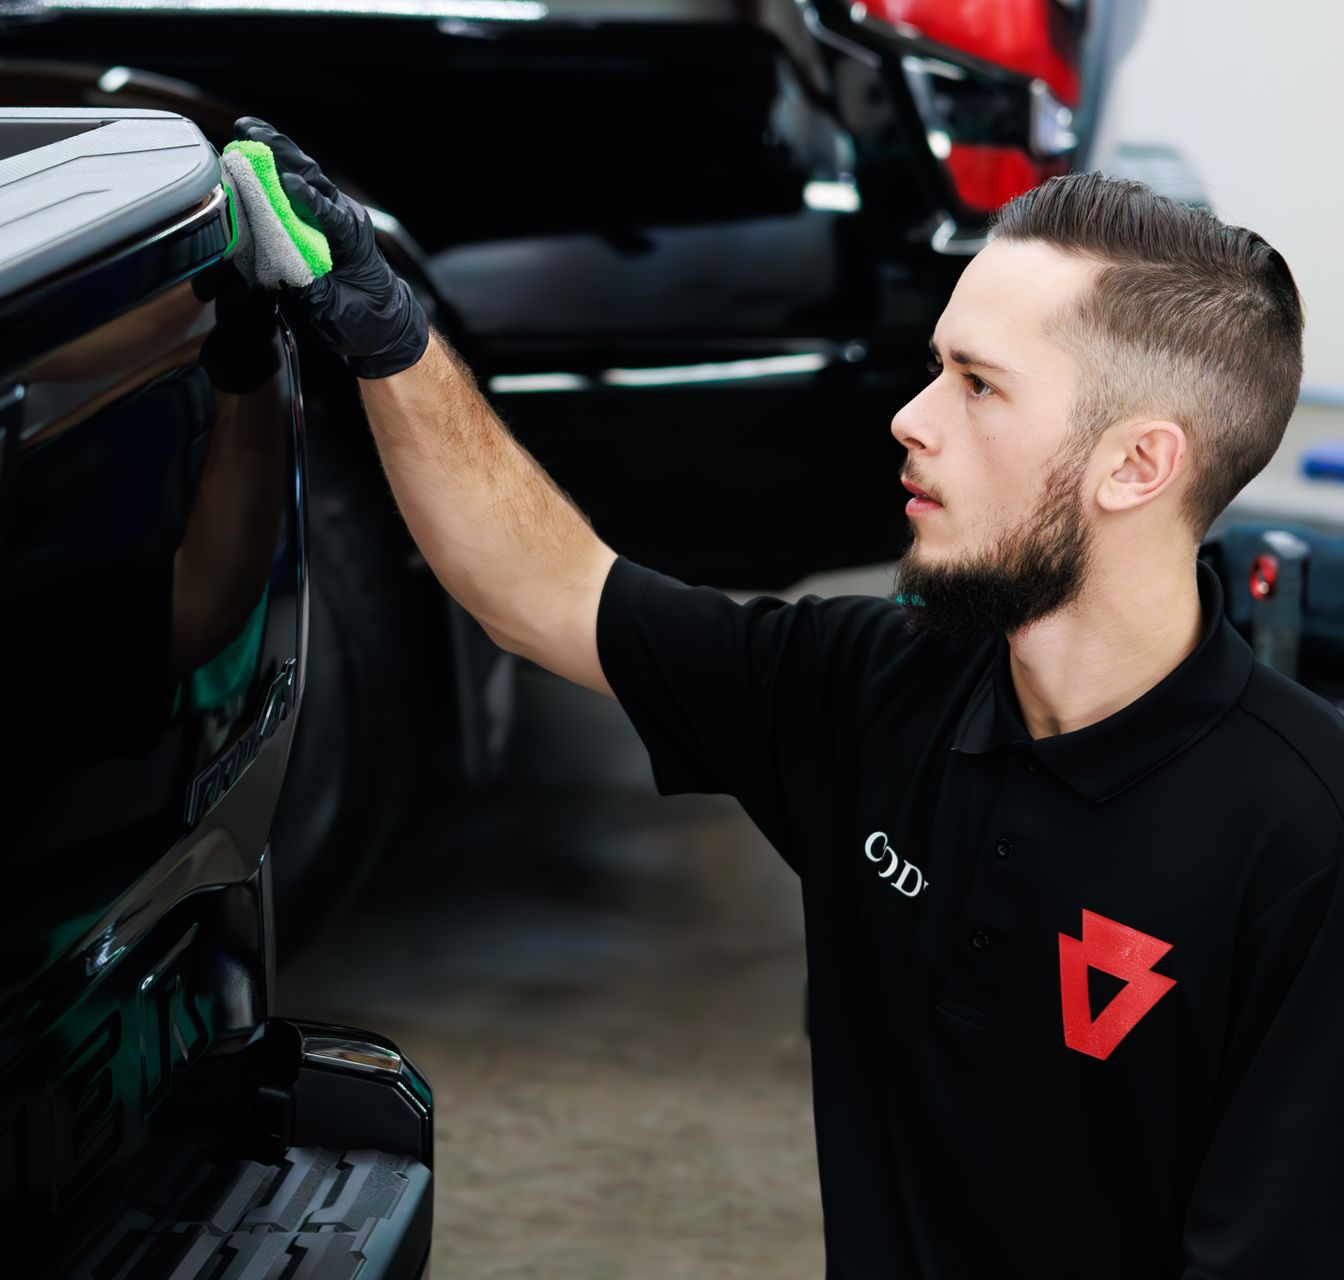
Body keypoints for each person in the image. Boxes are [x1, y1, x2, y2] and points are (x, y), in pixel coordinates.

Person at [231, 117, 1344, 1278]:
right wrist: (391, 337)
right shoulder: (874, 688)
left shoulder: (1305, 845)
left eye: (977, 385)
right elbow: (553, 592)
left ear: (1136, 465)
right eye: (934, 367)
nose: (913, 418)